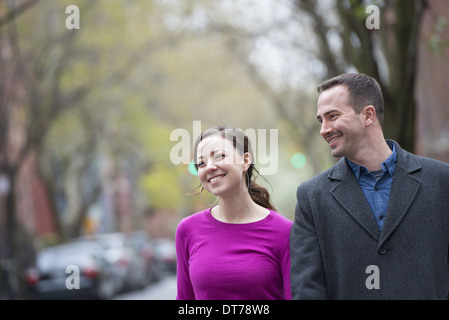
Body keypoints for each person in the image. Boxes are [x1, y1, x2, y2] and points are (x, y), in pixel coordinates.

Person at [290, 73, 449, 300]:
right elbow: (307, 290)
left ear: (368, 115)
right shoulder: (312, 197)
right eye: (321, 120)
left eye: (332, 116)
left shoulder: (442, 181)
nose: (324, 129)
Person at [176, 126, 292, 300]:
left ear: (245, 161)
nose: (210, 167)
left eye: (220, 156)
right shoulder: (187, 229)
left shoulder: (284, 232)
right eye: (201, 163)